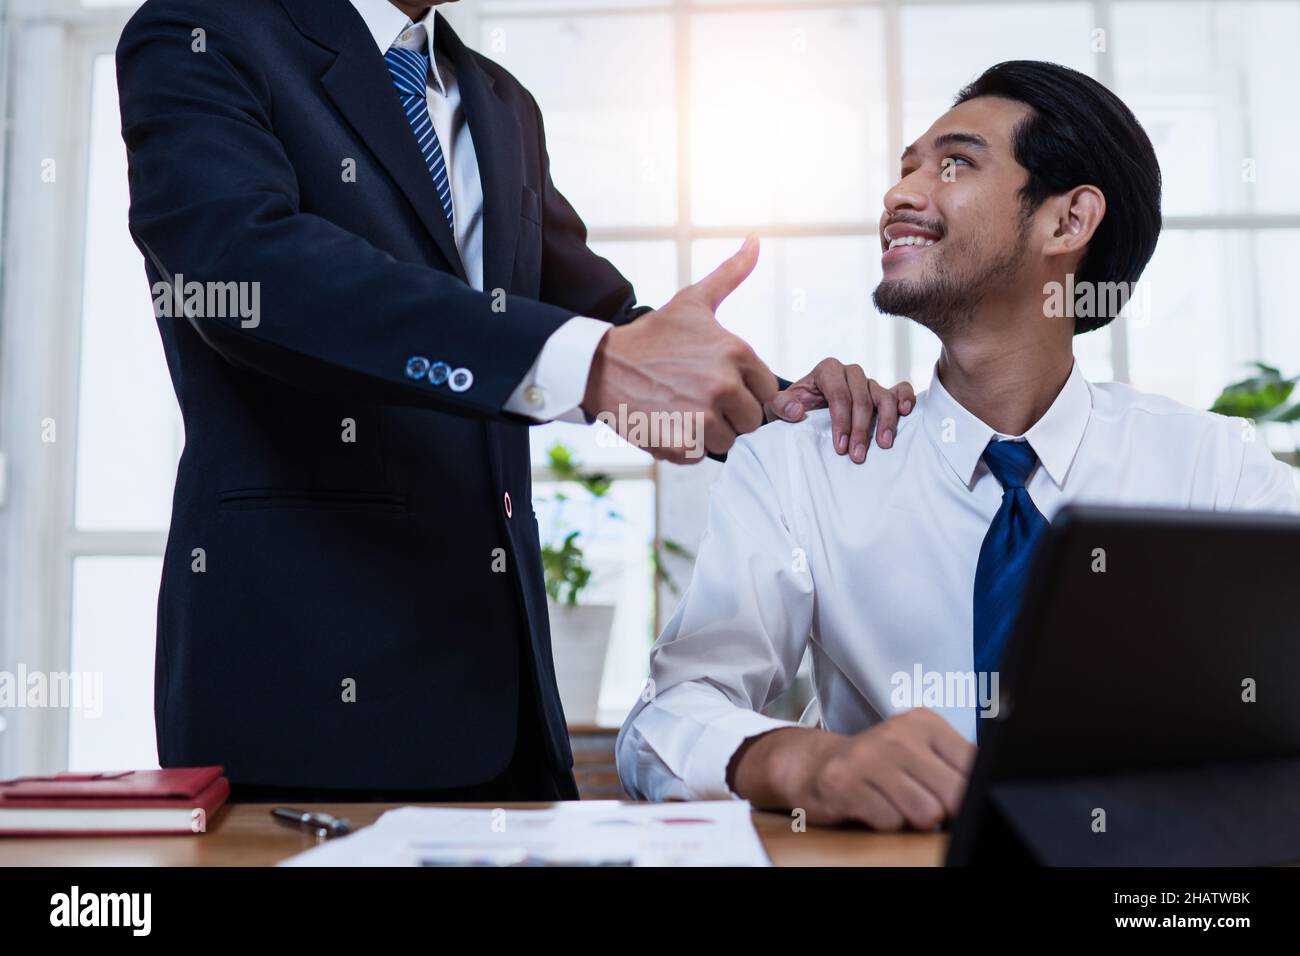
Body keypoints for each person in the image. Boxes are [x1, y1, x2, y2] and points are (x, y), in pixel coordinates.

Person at [617, 60, 1300, 828]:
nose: (899, 194)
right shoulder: (803, 465)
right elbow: (665, 718)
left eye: (953, 165)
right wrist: (807, 761)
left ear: (1067, 222)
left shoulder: (1216, 472)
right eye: (905, 168)